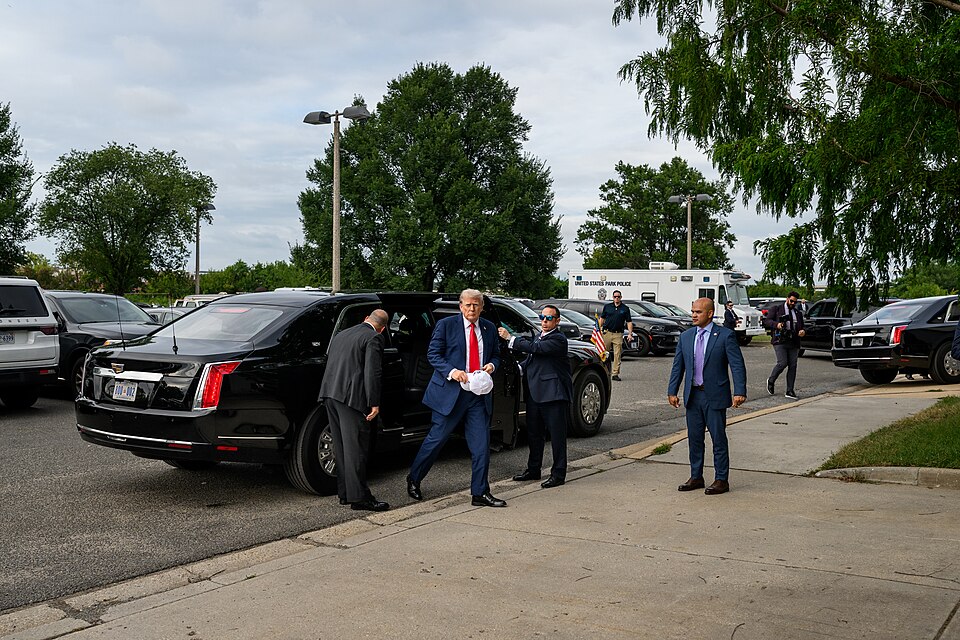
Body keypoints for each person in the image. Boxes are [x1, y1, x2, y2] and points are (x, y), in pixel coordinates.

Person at [406, 289, 506, 507]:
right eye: (468, 305)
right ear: (460, 306)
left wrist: (492, 365)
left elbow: (497, 355)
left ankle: (480, 493)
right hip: (450, 393)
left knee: (481, 446)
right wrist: (452, 371)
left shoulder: (488, 328)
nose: (472, 309)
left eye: (476, 305)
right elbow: (433, 354)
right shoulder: (446, 325)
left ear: (482, 307)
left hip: (478, 396)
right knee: (436, 440)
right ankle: (414, 478)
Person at [667, 297, 747, 495]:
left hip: (715, 396)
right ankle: (696, 476)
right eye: (693, 311)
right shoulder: (686, 337)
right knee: (694, 439)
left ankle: (721, 479)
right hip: (693, 396)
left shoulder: (725, 336)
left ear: (710, 313)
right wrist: (672, 390)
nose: (694, 315)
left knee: (718, 439)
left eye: (698, 312)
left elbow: (737, 365)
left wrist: (739, 391)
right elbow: (678, 366)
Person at [318, 309, 390, 512]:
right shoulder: (374, 338)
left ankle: (345, 494)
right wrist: (374, 402)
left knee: (340, 448)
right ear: (383, 328)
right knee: (356, 449)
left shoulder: (343, 334)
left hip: (331, 394)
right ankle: (360, 498)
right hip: (352, 399)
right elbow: (372, 372)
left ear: (366, 318)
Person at [498, 304, 573, 489]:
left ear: (557, 321)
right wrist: (516, 368)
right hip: (535, 394)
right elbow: (532, 359)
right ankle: (533, 469)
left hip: (554, 395)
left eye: (549, 318)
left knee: (556, 436)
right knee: (534, 434)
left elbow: (536, 349)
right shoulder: (540, 336)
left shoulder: (558, 339)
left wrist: (511, 339)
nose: (544, 321)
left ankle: (558, 474)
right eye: (542, 317)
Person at [762, 291, 806, 400]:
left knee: (793, 365)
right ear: (787, 299)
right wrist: (776, 325)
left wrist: (802, 331)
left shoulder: (797, 313)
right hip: (780, 340)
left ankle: (790, 390)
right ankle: (771, 380)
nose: (792, 303)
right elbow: (766, 321)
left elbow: (802, 327)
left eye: (795, 302)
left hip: (794, 341)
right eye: (791, 301)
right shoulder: (776, 309)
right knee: (782, 363)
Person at [598, 290, 633, 381]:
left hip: (618, 334)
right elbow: (602, 318)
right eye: (615, 297)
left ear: (621, 297)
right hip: (607, 333)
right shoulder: (607, 307)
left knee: (617, 354)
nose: (616, 298)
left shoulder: (625, 309)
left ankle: (615, 373)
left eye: (618, 297)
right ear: (612, 297)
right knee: (604, 353)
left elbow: (629, 322)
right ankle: (603, 371)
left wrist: (630, 333)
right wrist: (599, 329)